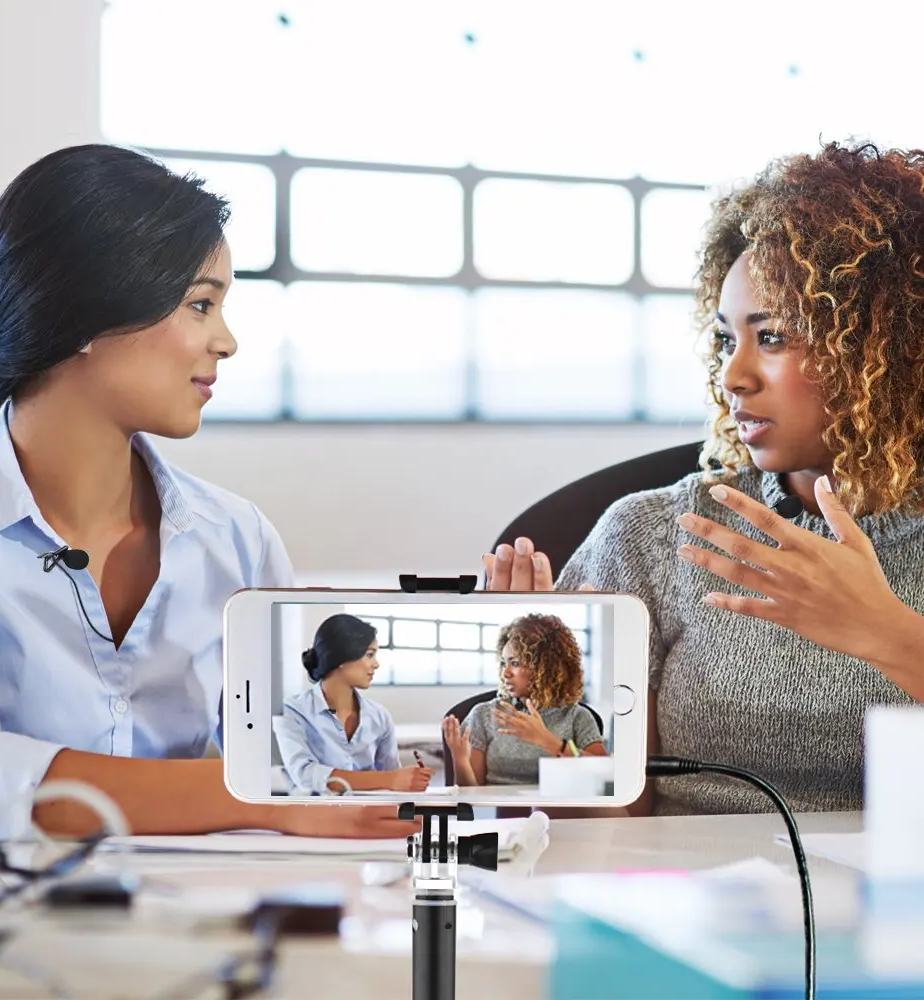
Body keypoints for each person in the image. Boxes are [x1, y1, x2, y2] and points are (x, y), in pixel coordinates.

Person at [0, 144, 414, 842]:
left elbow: (293, 768)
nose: (227, 342)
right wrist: (253, 796)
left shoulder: (238, 539)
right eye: (200, 304)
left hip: (209, 931)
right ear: (85, 315)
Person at [484, 141, 924, 815]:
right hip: (687, 901)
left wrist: (889, 634)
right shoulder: (653, 535)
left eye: (772, 337)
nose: (733, 375)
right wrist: (541, 711)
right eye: (726, 339)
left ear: (887, 349)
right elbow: (596, 818)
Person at [275, 614, 434, 793]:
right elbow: (305, 775)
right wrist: (389, 779)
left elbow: (393, 783)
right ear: (342, 658)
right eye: (369, 655)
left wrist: (408, 781)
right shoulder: (292, 711)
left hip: (368, 815)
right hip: (315, 815)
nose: (376, 664)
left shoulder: (379, 716)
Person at [442, 613, 605, 786]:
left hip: (558, 811)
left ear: (546, 666)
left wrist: (551, 742)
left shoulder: (577, 717)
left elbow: (602, 773)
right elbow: (471, 795)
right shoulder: (484, 715)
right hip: (505, 812)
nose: (505, 673)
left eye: (515, 663)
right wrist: (459, 759)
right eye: (504, 663)